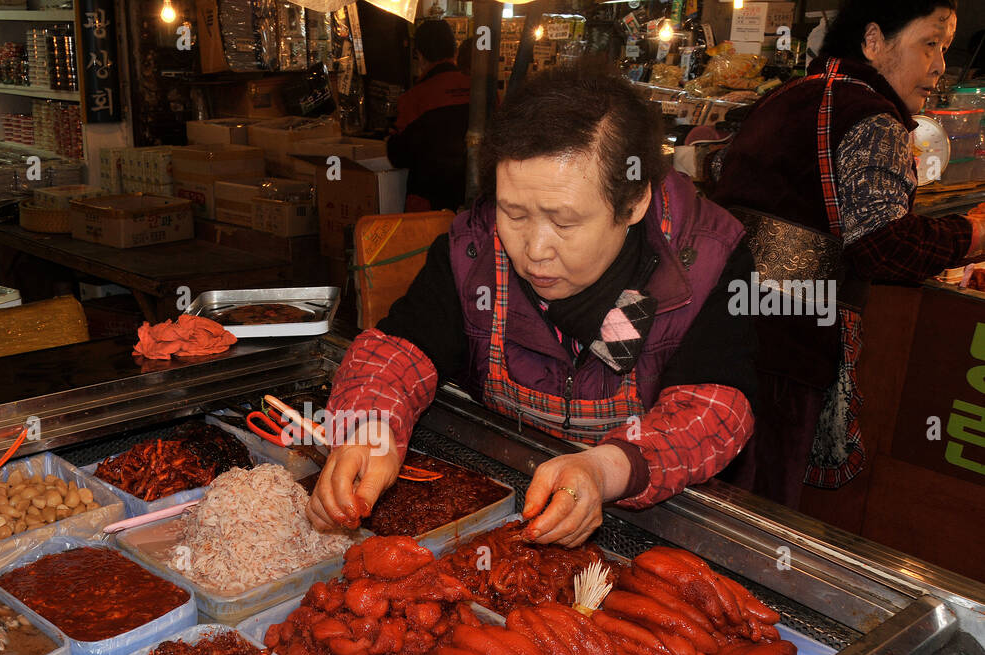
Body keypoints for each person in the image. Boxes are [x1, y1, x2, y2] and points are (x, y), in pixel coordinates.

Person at [309, 70, 759, 546]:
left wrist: (601, 469)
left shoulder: (706, 254)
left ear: (634, 202)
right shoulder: (475, 248)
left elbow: (714, 410)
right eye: (515, 214)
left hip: (652, 520)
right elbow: (400, 349)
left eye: (564, 222)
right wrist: (371, 427)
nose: (536, 250)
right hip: (505, 503)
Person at [712, 0, 985, 507]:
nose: (941, 66)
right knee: (760, 507)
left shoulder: (788, 94)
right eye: (930, 43)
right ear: (874, 39)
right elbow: (884, 246)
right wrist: (972, 236)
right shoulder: (874, 118)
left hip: (721, 327)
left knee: (712, 489)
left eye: (945, 49)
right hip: (785, 347)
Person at [386, 19, 471, 212]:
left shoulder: (415, 98)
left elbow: (398, 156)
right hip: (476, 205)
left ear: (420, 55)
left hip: (430, 207)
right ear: (455, 51)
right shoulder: (483, 92)